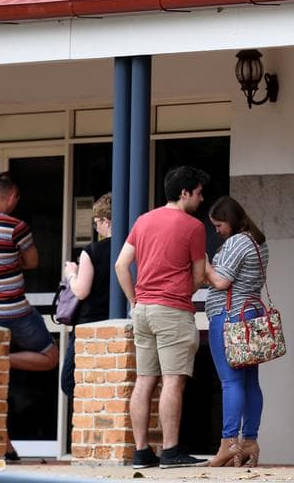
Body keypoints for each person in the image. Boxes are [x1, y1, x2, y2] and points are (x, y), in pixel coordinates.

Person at [115, 166, 210, 469]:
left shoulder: (143, 221)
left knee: (144, 381)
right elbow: (198, 277)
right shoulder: (193, 227)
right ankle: (170, 451)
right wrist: (181, 289)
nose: (201, 197)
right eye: (198, 192)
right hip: (173, 311)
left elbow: (121, 265)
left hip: (142, 311)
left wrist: (135, 300)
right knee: (172, 381)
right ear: (185, 193)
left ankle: (141, 452)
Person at [0, 171, 59, 460]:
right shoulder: (16, 226)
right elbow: (32, 261)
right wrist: (10, 257)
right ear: (13, 196)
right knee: (50, 356)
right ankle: (3, 360)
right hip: (15, 312)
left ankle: (2, 444)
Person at [202, 196, 270, 467]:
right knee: (250, 382)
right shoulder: (258, 241)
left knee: (230, 382)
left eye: (219, 225)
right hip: (251, 314)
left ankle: (229, 443)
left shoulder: (237, 242)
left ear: (230, 220)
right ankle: (249, 441)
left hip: (229, 317)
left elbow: (220, 281)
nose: (217, 230)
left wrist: (204, 263)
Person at [60, 193, 114, 397]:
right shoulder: (130, 249)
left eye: (97, 223)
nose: (96, 228)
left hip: (89, 325)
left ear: (106, 221)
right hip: (115, 321)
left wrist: (71, 274)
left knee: (70, 382)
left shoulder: (91, 251)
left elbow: (81, 291)